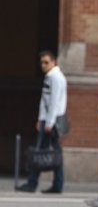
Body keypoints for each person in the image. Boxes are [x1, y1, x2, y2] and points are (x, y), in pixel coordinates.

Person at [16, 50, 67, 194]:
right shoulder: (51, 76)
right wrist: (41, 119)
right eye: (41, 62)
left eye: (46, 62)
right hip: (47, 120)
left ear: (53, 62)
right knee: (50, 152)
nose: (43, 65)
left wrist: (49, 122)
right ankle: (53, 184)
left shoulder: (55, 77)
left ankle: (35, 183)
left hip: (51, 121)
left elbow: (54, 102)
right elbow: (45, 101)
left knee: (45, 152)